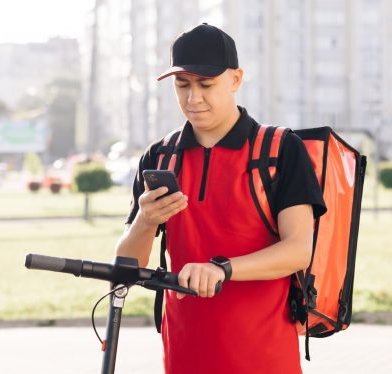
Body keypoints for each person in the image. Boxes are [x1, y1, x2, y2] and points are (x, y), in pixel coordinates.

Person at [115, 23, 326, 374]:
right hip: (184, 353)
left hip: (264, 356)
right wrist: (146, 219)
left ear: (236, 79)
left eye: (206, 84)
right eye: (182, 85)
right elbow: (127, 267)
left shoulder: (279, 150)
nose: (193, 98)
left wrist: (222, 269)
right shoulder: (159, 157)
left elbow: (298, 250)